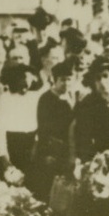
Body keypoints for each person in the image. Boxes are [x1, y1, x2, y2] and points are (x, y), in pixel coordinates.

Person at [28, 59, 75, 203]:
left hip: (66, 150)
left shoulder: (70, 98)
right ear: (54, 80)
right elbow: (43, 129)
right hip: (50, 151)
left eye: (68, 80)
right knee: (47, 189)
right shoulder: (46, 99)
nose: (65, 83)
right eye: (62, 80)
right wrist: (47, 153)